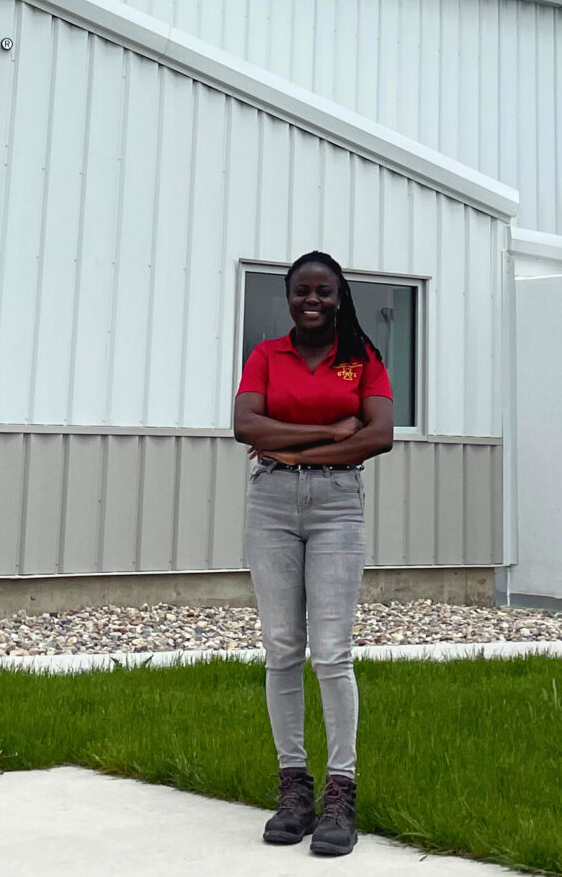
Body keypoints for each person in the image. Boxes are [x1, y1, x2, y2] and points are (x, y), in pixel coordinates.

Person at [233, 251, 396, 857]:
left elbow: (377, 434)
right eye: (302, 290)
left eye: (324, 292)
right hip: (272, 504)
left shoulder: (362, 358)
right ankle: (293, 787)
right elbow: (246, 427)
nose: (313, 301)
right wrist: (329, 435)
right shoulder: (265, 355)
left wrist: (299, 451)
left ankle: (340, 791)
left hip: (336, 505)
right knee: (281, 647)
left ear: (338, 296)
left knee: (331, 652)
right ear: (289, 296)